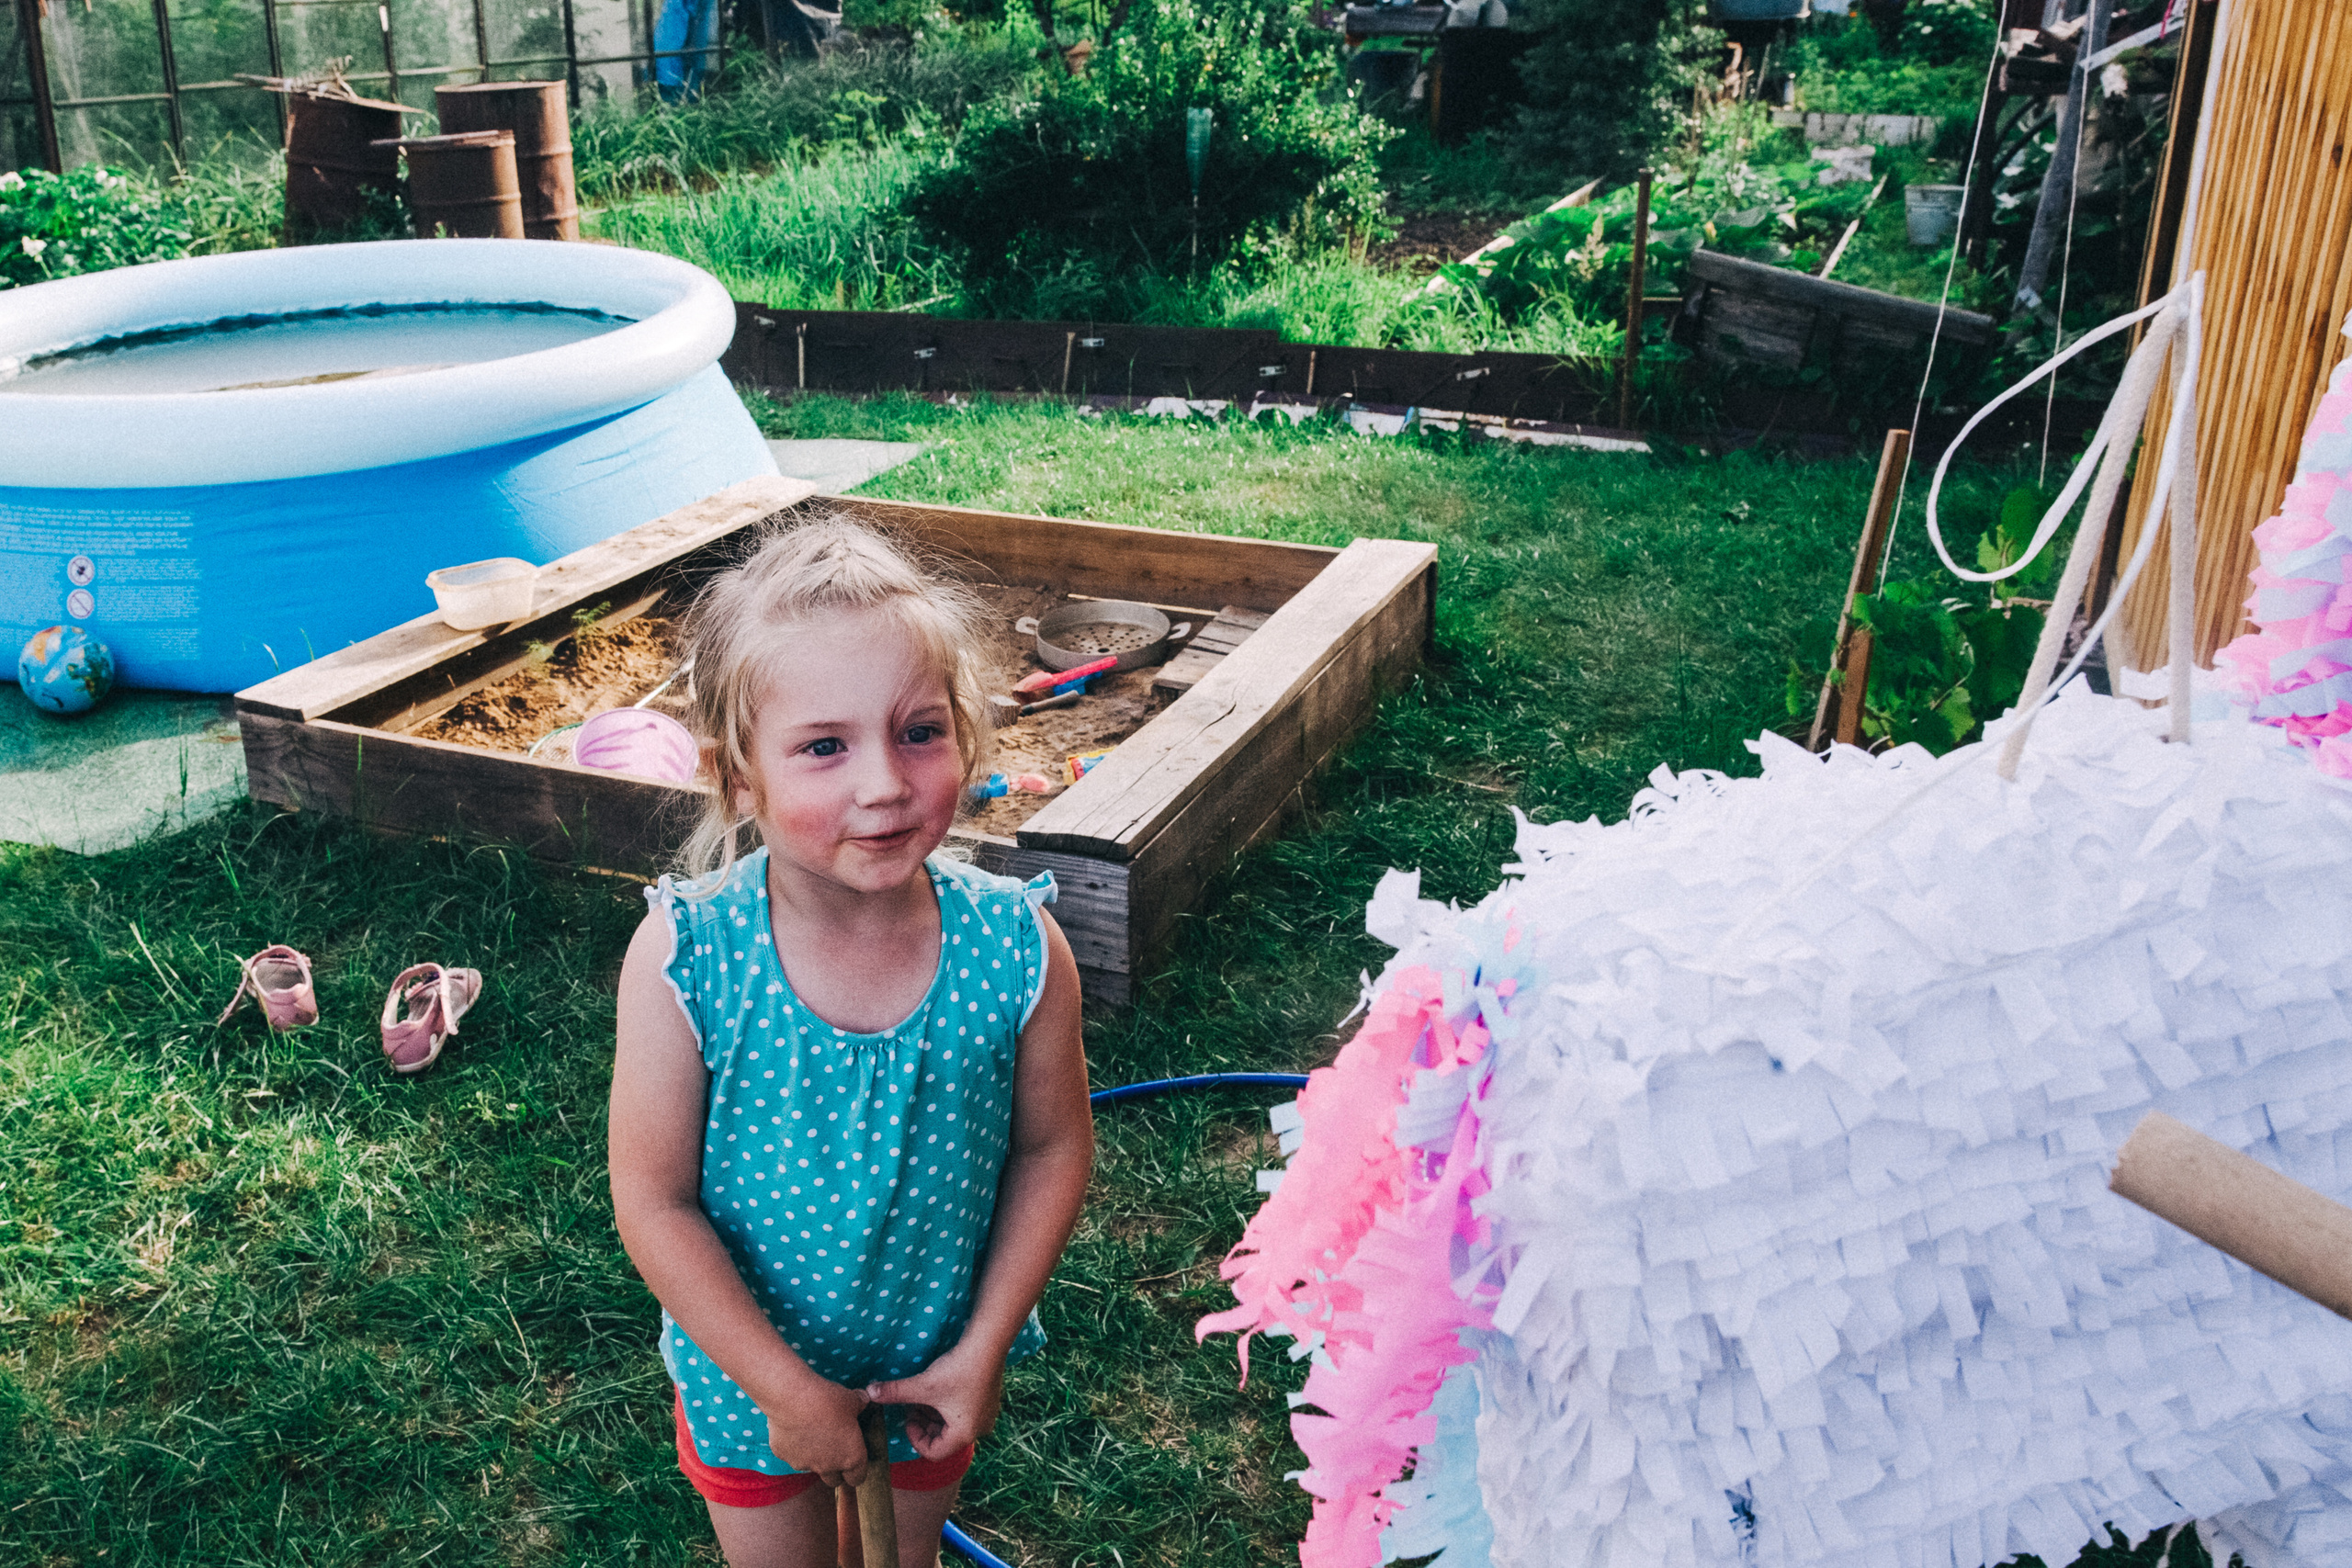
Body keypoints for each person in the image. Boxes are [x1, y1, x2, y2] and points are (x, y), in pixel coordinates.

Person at [609, 517, 1093, 1568]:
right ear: (738, 776)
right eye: (824, 746)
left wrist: (983, 1350)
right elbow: (653, 1200)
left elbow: (1053, 1148)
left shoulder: (1015, 947)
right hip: (752, 1388)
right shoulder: (686, 959)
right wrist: (786, 1391)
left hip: (932, 1378)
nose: (882, 781)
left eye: (919, 730)